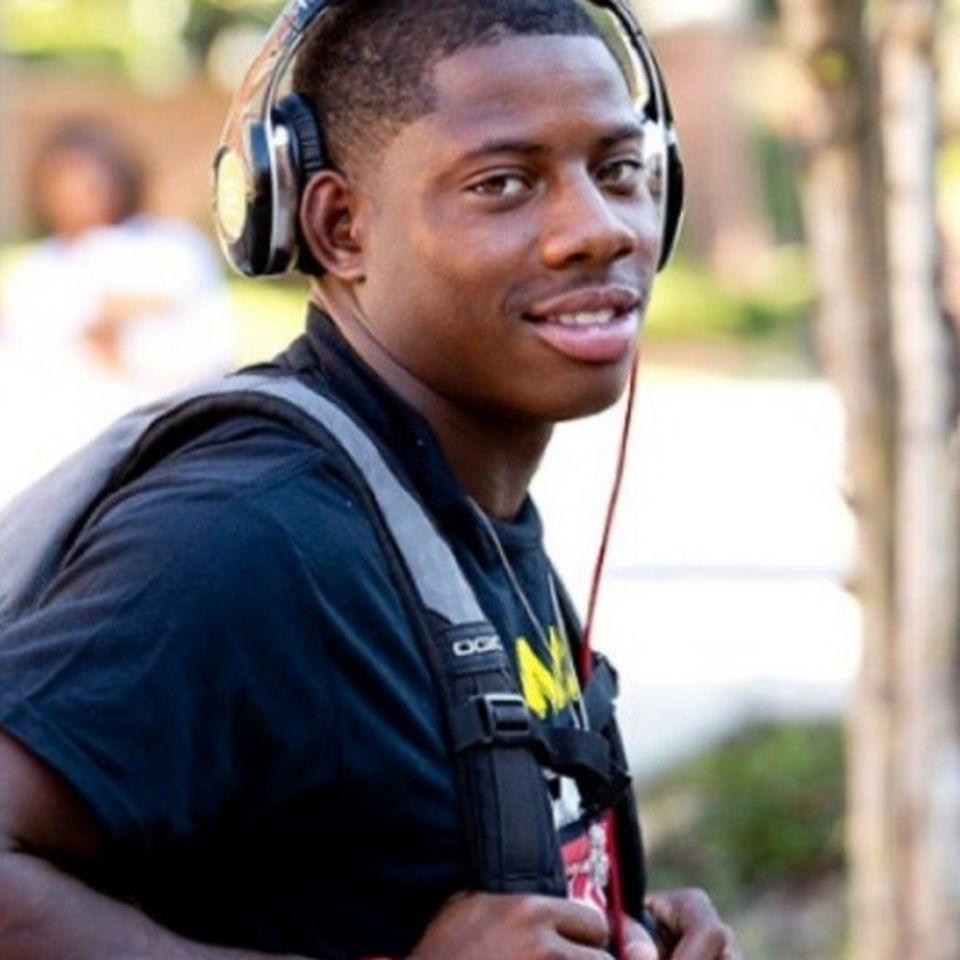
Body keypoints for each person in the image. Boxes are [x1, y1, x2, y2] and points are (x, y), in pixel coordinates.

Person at [0, 1, 741, 958]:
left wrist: (606, 914)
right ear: (340, 228)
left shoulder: (448, 507)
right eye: (504, 183)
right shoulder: (245, 537)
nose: (597, 230)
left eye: (619, 170)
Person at [0, 121, 233, 390]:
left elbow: (209, 348)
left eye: (89, 182)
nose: (75, 194)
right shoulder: (36, 269)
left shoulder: (172, 248)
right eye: (62, 181)